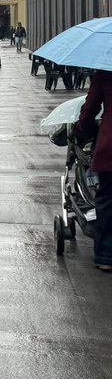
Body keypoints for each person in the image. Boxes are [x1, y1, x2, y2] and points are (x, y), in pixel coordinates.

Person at [78, 71, 112, 271]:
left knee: (107, 197)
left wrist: (83, 128)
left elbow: (90, 107)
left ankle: (107, 255)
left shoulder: (106, 71)